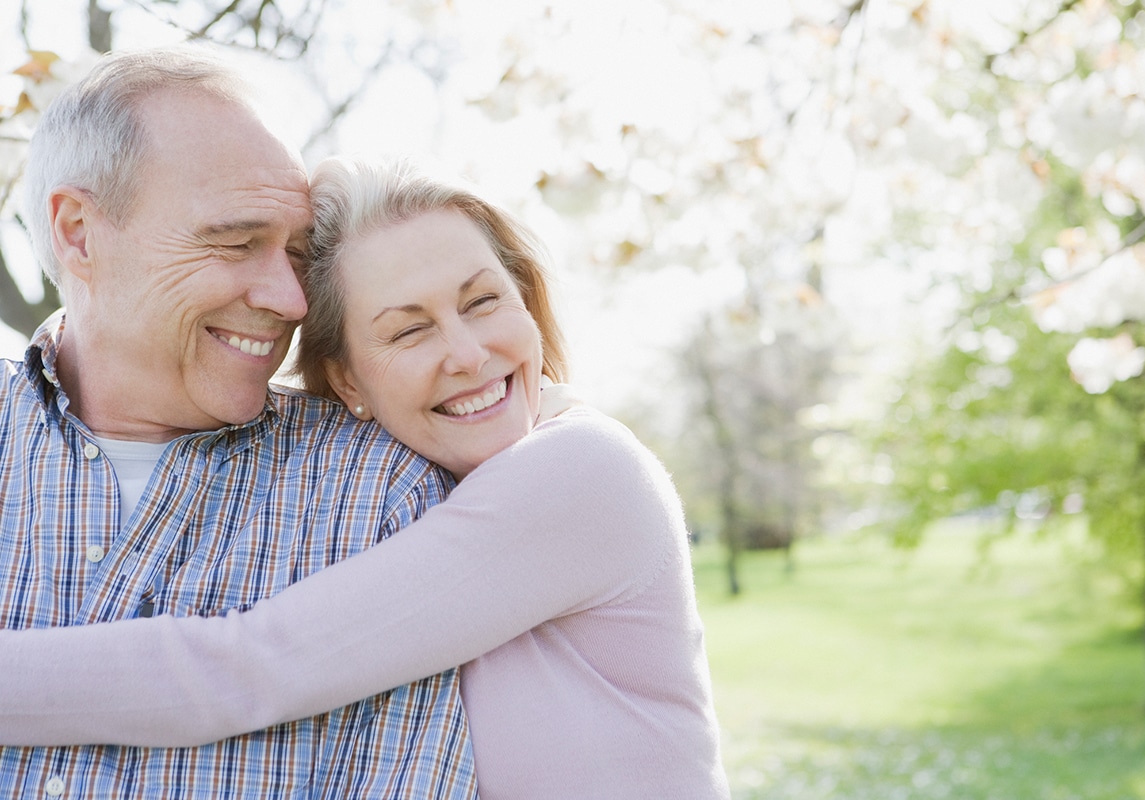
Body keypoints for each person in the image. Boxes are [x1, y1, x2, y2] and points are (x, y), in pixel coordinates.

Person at [0, 157, 732, 800]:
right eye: (409, 330)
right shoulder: (424, 484)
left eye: (482, 302)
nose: (469, 355)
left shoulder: (581, 473)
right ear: (348, 380)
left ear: (529, 303)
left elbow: (252, 666)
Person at [0, 49, 477, 798]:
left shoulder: (381, 497)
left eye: (294, 254)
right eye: (234, 242)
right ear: (79, 233)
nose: (291, 300)